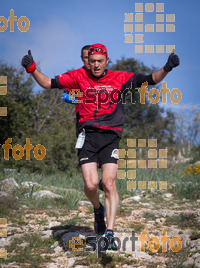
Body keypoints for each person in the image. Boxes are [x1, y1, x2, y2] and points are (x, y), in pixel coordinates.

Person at [21, 43, 180, 250]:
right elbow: (48, 83)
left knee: (109, 183)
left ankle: (110, 233)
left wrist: (167, 67)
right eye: (92, 61)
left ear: (107, 62)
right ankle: (97, 209)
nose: (96, 65)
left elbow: (150, 80)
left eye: (100, 61)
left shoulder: (120, 78)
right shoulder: (78, 76)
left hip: (110, 136)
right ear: (88, 61)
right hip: (87, 136)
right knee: (90, 185)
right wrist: (32, 69)